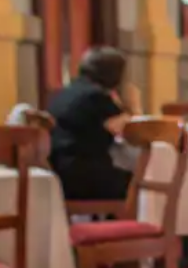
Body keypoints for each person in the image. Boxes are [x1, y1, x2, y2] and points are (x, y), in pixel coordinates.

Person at [47, 47, 140, 200]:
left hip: (59, 171)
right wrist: (132, 105)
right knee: (141, 183)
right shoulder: (96, 97)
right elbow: (132, 131)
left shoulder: (63, 93)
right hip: (82, 176)